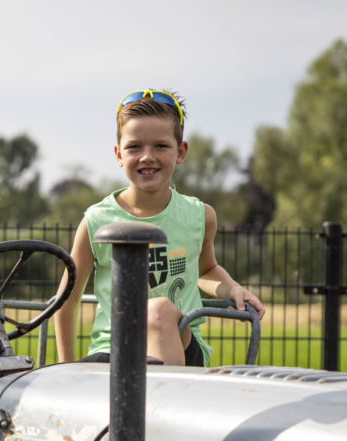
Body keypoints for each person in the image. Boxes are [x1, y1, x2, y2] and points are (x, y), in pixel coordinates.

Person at [54, 89, 266, 365]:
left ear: (180, 152)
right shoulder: (96, 221)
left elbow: (205, 270)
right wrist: (65, 370)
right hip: (113, 349)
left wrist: (232, 288)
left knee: (160, 312)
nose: (147, 156)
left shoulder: (200, 216)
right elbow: (67, 300)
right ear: (119, 154)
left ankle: (168, 404)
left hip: (180, 342)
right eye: (135, 147)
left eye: (160, 146)